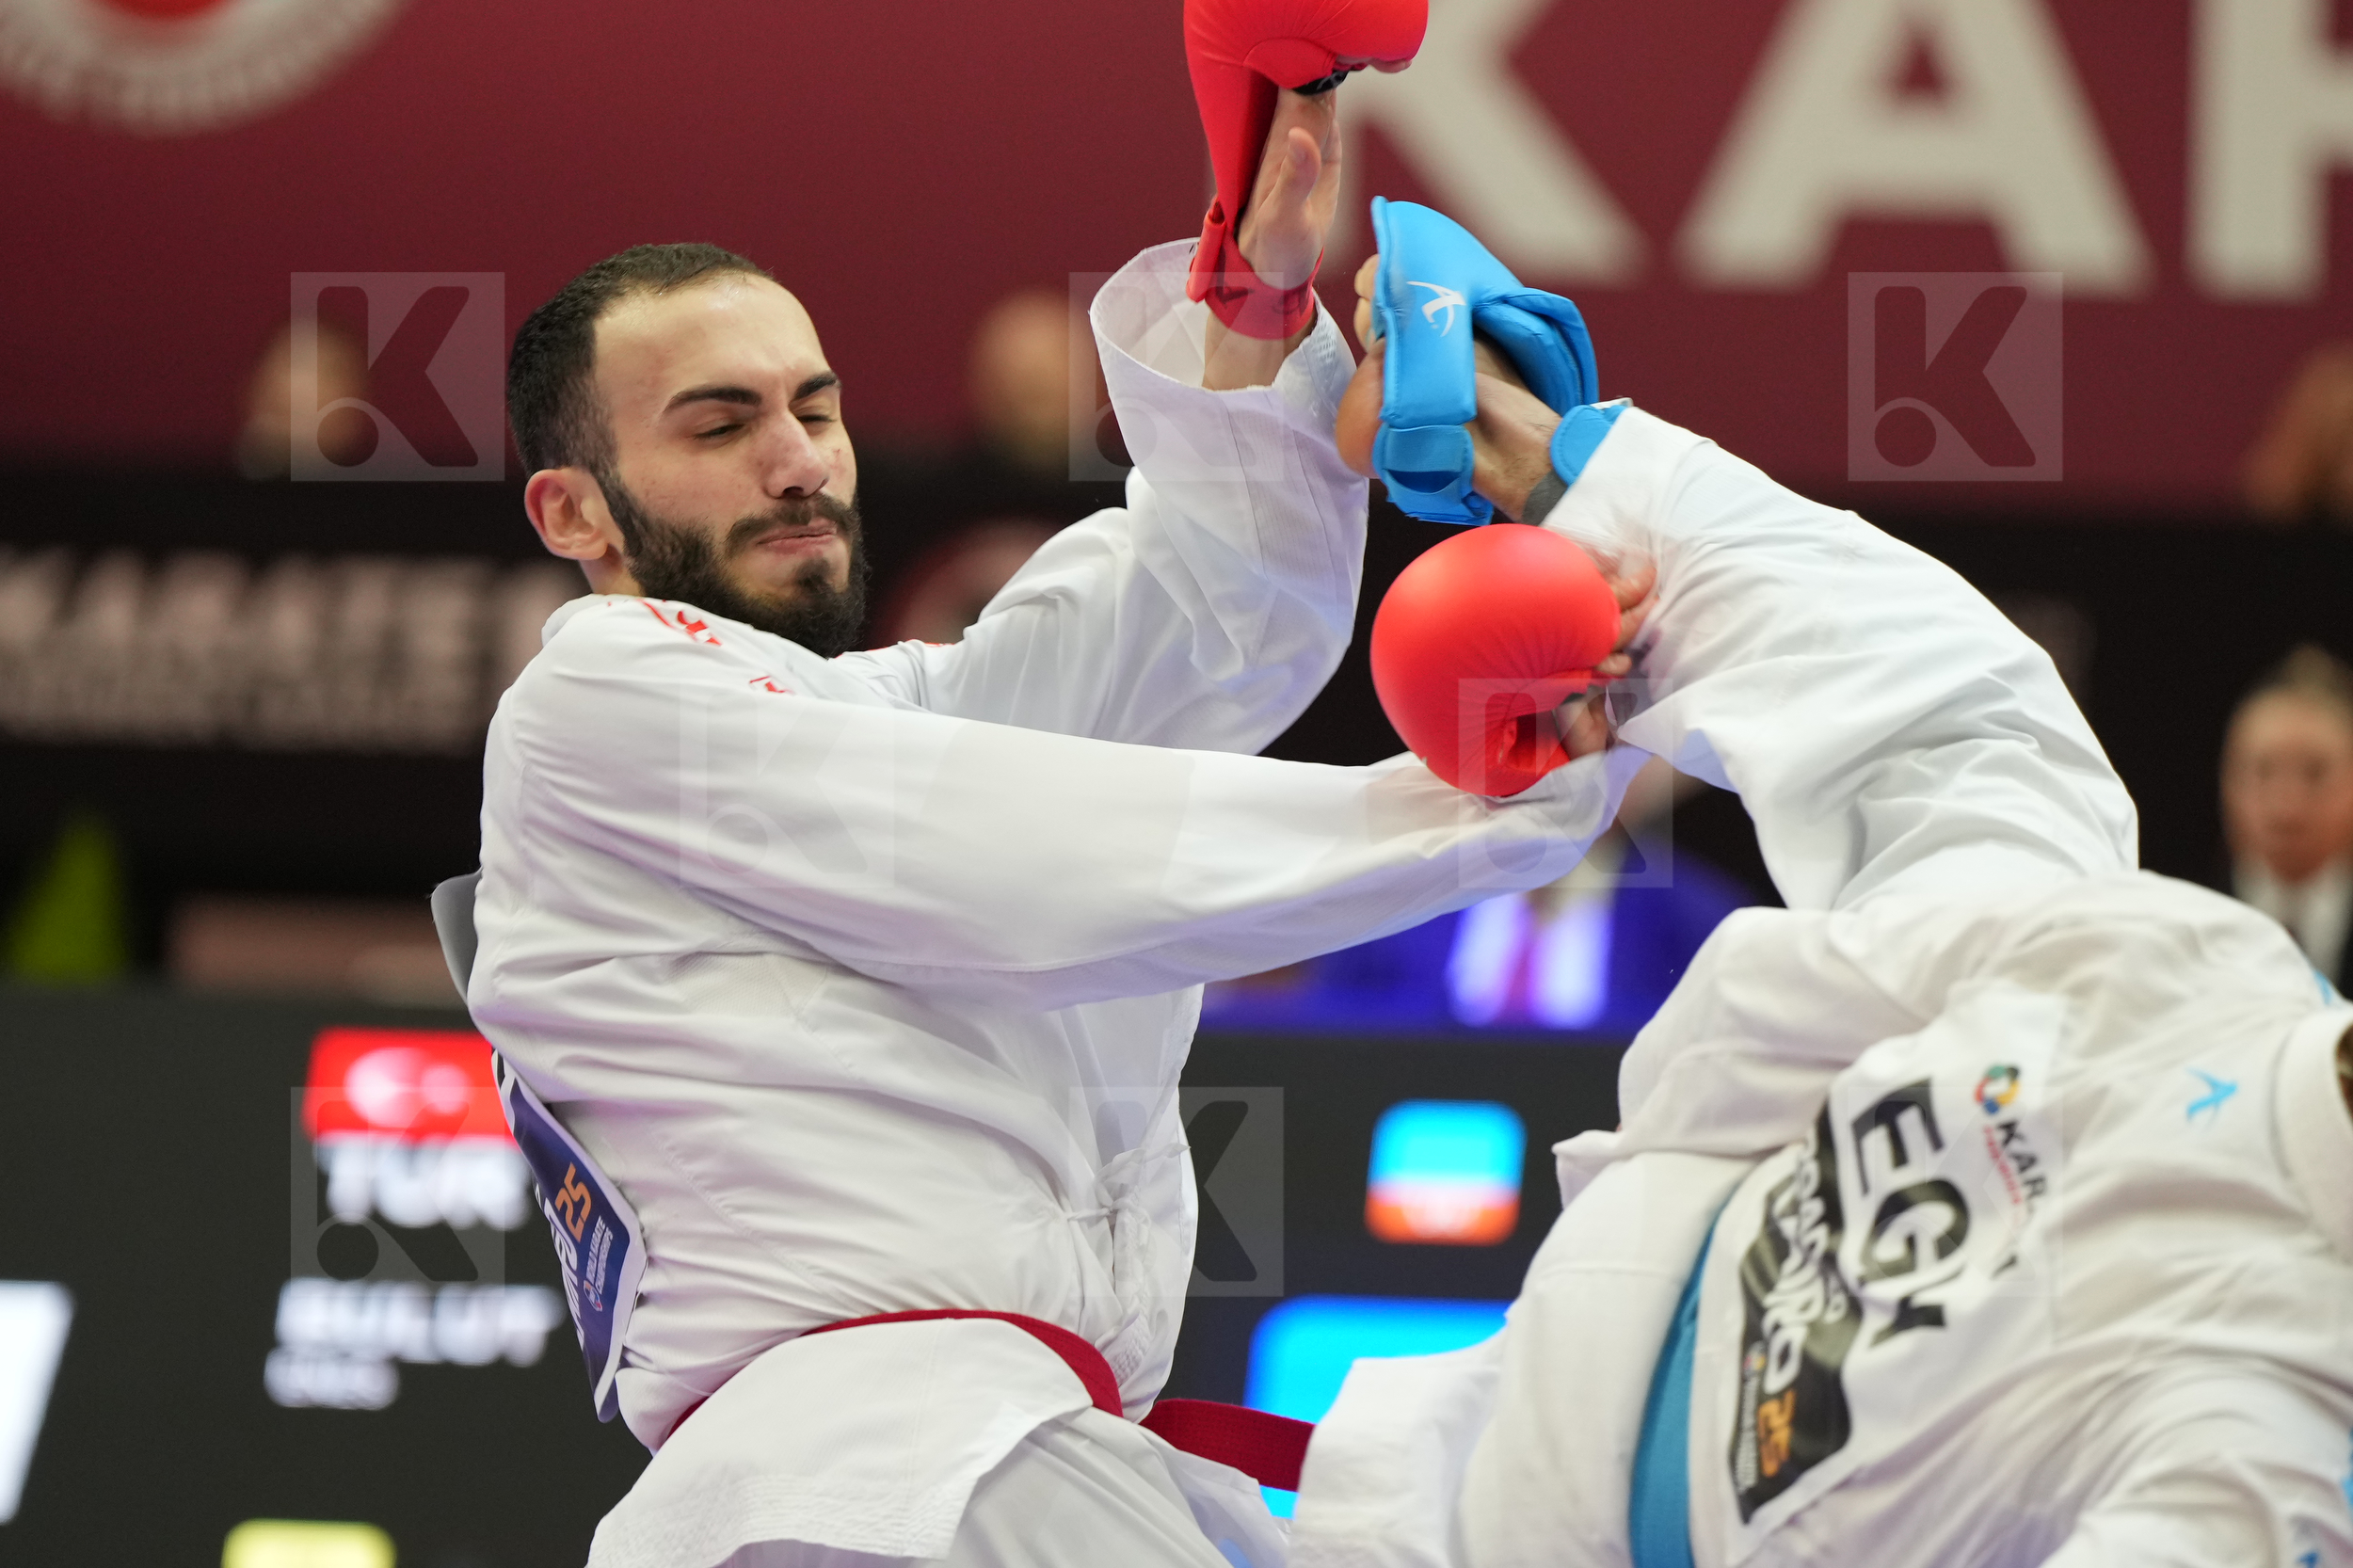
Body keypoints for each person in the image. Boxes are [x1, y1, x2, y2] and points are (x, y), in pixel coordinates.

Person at [470, 76, 1674, 1567]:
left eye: (815, 408)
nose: (797, 459)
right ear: (574, 513)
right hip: (875, 1473)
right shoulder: (599, 710)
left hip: (979, 1461)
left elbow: (1199, 617)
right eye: (721, 424)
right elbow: (1021, 861)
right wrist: (1484, 798)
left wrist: (1256, 295)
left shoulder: (876, 723)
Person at [1281, 245, 2353, 1568]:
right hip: (1532, 1360)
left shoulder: (2278, 1447)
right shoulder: (2203, 965)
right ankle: (1533, 447)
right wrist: (1655, 1183)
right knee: (2005, 774)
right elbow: (1812, 959)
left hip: (1566, 1523)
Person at [2220, 645, 2353, 995]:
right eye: (2263, 772)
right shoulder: (2175, 919)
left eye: (2315, 773)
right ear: (2227, 783)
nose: (2286, 808)